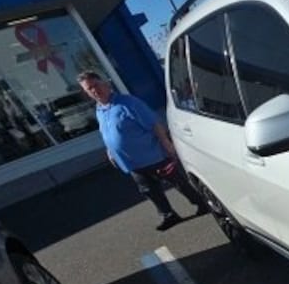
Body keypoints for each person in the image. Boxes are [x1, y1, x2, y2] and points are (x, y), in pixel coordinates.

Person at [78, 70, 206, 231]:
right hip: (131, 162)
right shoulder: (99, 109)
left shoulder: (128, 103)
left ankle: (201, 203)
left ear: (106, 83)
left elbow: (154, 123)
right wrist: (110, 151)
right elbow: (106, 132)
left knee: (178, 182)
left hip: (153, 156)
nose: (94, 90)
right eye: (89, 89)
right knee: (149, 190)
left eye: (96, 85)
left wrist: (166, 143)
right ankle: (169, 215)